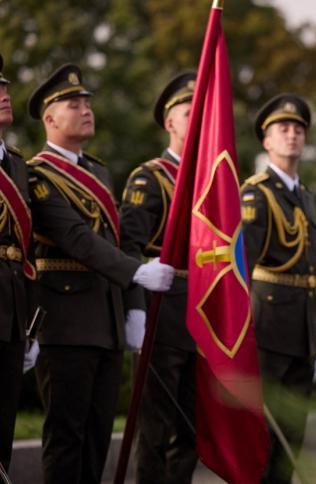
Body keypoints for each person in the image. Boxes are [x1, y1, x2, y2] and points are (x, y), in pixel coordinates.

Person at [26, 63, 174, 484]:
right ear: (50, 118)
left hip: (105, 322)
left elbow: (116, 241)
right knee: (66, 438)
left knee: (96, 438)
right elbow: (76, 238)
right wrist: (137, 274)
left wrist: (132, 307)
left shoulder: (96, 170)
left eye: (87, 103)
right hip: (66, 323)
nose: (86, 110)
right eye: (74, 105)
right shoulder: (38, 174)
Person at [119, 72, 198, 484]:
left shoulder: (212, 181)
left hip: (203, 317)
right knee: (154, 428)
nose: (197, 119)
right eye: (188, 112)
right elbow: (128, 248)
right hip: (162, 313)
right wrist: (136, 309)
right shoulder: (149, 177)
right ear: (170, 123)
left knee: (193, 431)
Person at [241, 93, 316, 484]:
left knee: (292, 436)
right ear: (266, 140)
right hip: (267, 330)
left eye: (298, 129)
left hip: (302, 332)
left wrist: (313, 335)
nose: (292, 134)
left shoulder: (305, 195)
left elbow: (309, 274)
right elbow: (242, 267)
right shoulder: (256, 193)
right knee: (262, 439)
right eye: (283, 128)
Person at [0, 52, 39, 473]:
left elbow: (26, 251)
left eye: (4, 85)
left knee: (3, 436)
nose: (5, 93)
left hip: (12, 315)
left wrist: (31, 327)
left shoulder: (16, 164)